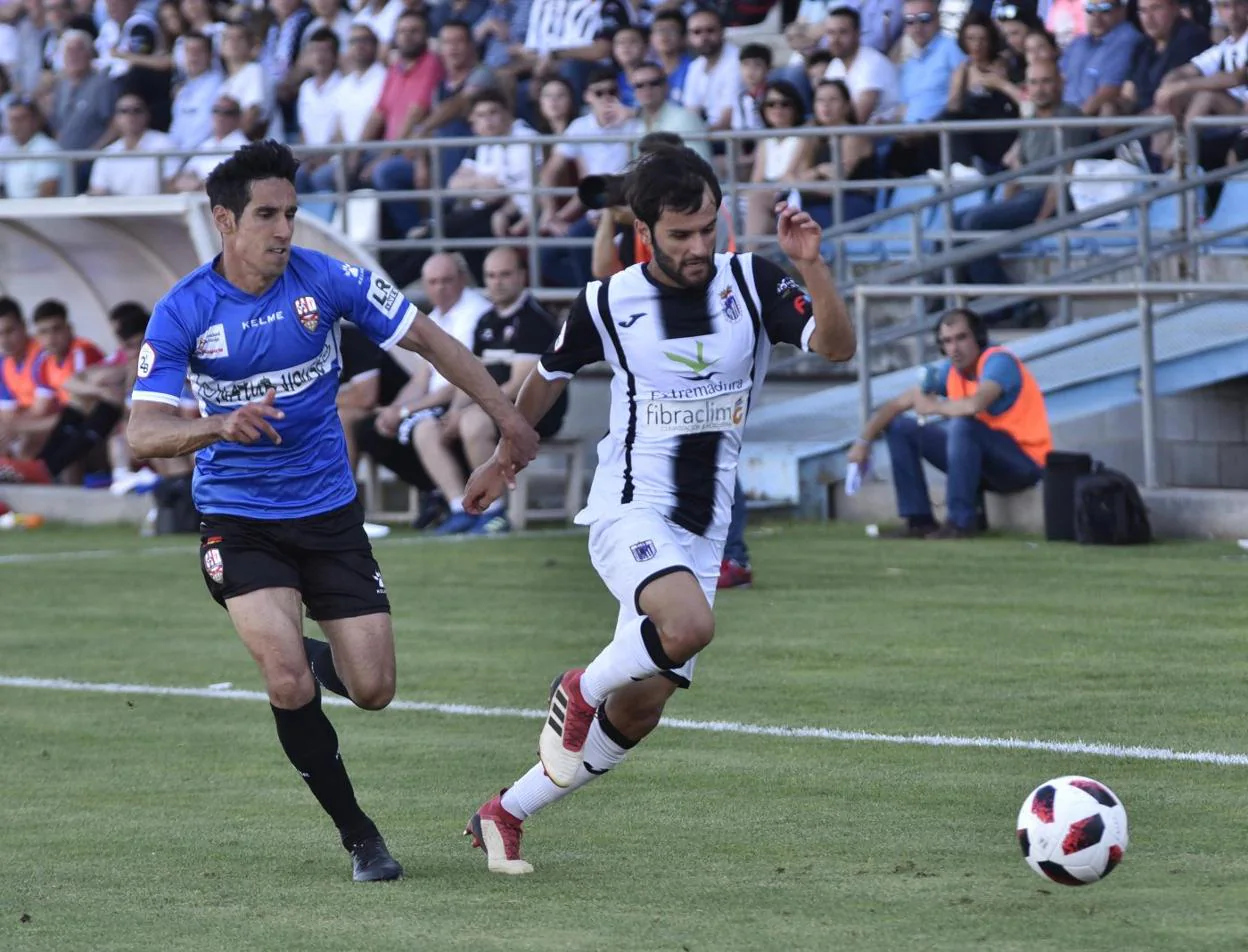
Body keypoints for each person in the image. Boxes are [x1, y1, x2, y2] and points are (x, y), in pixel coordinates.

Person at [125, 140, 539, 882]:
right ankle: (361, 838)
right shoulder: (184, 308)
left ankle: (302, 656)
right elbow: (143, 433)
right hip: (238, 516)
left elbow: (433, 341)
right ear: (224, 219)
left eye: (291, 212)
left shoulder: (330, 280)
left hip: (327, 513)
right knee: (286, 680)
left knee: (374, 689)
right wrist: (217, 425)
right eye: (266, 215)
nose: (284, 229)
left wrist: (506, 418)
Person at [458, 145, 856, 874]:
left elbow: (836, 346)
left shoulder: (752, 280)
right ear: (645, 231)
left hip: (701, 533)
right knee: (689, 625)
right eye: (681, 234)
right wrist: (503, 456)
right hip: (630, 509)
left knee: (640, 709)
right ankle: (578, 687)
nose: (699, 245)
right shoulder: (609, 301)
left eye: (708, 227)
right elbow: (546, 380)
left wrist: (812, 265)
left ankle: (505, 813)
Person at [847, 308, 1051, 539]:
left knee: (963, 425)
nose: (954, 348)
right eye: (947, 341)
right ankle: (919, 521)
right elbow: (897, 404)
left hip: (1023, 464)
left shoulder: (998, 362)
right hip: (980, 462)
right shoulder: (950, 371)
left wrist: (935, 407)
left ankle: (960, 523)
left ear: (979, 338)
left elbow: (975, 404)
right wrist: (863, 440)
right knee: (901, 427)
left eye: (961, 338)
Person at [415, 246, 568, 536]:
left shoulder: (535, 321)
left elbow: (521, 384)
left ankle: (494, 513)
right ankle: (460, 507)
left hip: (534, 410)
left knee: (473, 423)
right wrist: (455, 411)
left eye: (505, 274)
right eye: (490, 276)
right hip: (490, 409)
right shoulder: (485, 321)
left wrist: (472, 412)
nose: (497, 282)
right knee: (426, 429)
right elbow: (469, 376)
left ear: (522, 276)